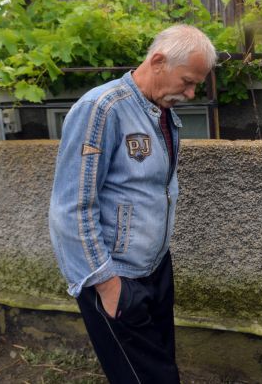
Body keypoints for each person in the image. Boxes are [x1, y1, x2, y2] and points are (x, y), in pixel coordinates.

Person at [49, 24, 216, 383]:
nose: (190, 93)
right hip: (115, 277)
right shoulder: (102, 109)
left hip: (155, 269)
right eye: (187, 81)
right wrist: (107, 285)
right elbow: (70, 208)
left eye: (195, 85)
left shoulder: (162, 112)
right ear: (157, 61)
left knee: (161, 367)